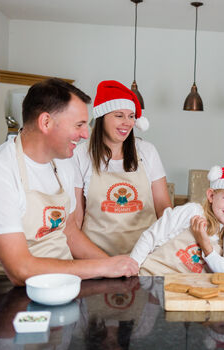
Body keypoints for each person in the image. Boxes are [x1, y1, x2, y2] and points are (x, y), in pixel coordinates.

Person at [0, 78, 138, 286]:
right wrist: (104, 267)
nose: (86, 134)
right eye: (79, 125)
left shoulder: (63, 163)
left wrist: (117, 266)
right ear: (46, 122)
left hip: (62, 283)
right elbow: (20, 270)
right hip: (2, 291)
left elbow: (68, 231)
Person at [73, 80, 172, 256]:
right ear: (102, 118)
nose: (127, 122)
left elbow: (163, 208)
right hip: (95, 257)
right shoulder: (80, 155)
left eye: (131, 116)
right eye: (119, 115)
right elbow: (76, 218)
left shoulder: (147, 151)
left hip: (144, 256)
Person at [129, 162, 224, 275]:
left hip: (186, 290)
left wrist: (206, 245)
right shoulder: (193, 211)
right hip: (153, 275)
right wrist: (131, 270)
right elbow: (151, 236)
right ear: (211, 196)